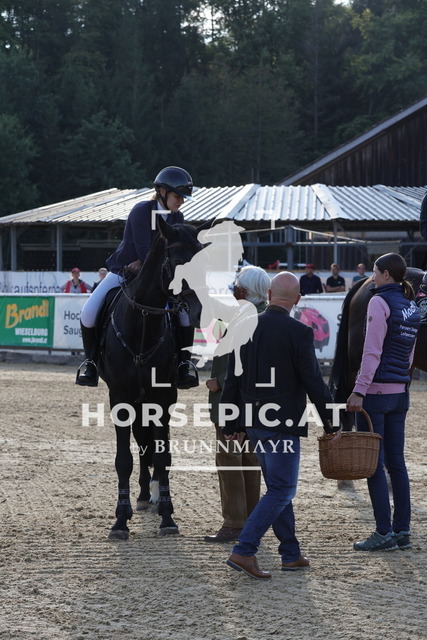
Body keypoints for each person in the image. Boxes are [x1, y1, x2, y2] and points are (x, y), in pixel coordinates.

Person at [220, 272, 337, 579]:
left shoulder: (243, 326)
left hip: (253, 422)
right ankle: (244, 550)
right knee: (283, 489)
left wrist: (231, 423)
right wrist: (332, 423)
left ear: (269, 295)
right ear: (297, 299)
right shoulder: (300, 331)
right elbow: (314, 382)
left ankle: (290, 554)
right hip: (282, 423)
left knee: (277, 488)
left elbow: (232, 379)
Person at [76, 166, 198, 388]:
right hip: (123, 271)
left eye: (183, 198)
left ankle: (184, 364)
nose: (181, 202)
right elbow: (143, 250)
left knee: (184, 316)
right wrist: (144, 261)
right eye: (178, 196)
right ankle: (90, 363)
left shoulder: (177, 216)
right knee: (88, 312)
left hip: (159, 278)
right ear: (162, 192)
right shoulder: (141, 211)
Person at [346, 253, 420, 552]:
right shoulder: (411, 305)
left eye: (375, 272)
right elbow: (410, 354)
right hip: (400, 392)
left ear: (386, 274)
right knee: (397, 464)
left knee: (374, 466)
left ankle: (383, 532)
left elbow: (372, 351)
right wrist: (401, 381)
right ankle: (402, 531)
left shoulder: (379, 301)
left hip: (376, 393)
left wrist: (358, 390)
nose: (373, 277)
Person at [204, 266, 270, 544]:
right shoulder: (259, 313)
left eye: (236, 284)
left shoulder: (247, 317)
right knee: (249, 461)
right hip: (254, 405)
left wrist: (219, 381)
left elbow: (248, 364)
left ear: (245, 289)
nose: (233, 287)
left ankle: (234, 523)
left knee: (230, 461)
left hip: (232, 400)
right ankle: (251, 521)